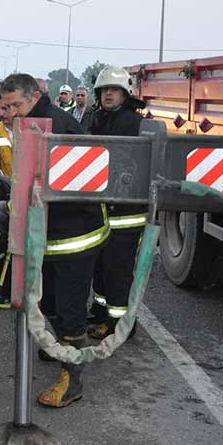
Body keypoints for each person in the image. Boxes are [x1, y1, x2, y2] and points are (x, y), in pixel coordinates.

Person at [0, 73, 109, 408]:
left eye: (17, 104)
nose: (12, 112)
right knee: (47, 302)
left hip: (75, 232)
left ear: (35, 96)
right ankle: (62, 344)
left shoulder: (55, 126)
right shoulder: (31, 124)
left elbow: (75, 182)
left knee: (69, 308)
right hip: (50, 233)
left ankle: (72, 380)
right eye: (8, 106)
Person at [87, 66, 147, 340]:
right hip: (102, 207)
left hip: (125, 212)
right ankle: (100, 310)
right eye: (104, 90)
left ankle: (120, 325)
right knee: (99, 263)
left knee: (117, 268)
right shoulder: (99, 118)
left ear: (125, 94)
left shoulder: (133, 123)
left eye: (114, 90)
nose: (108, 94)